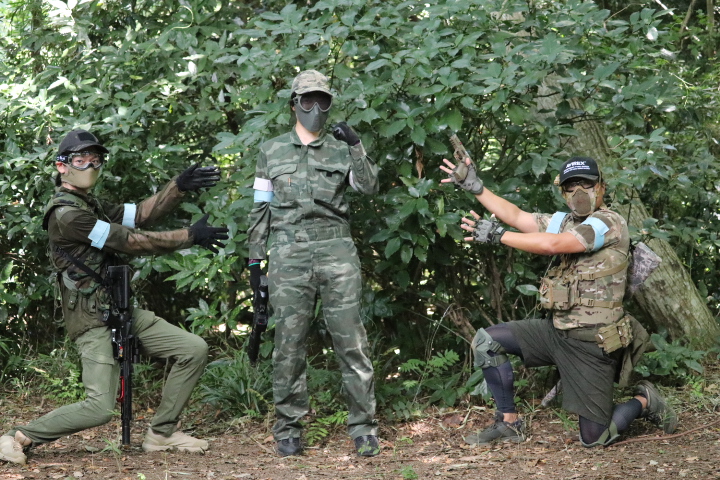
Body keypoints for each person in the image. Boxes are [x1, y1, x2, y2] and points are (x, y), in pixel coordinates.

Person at [0, 129, 228, 465]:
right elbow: (130, 241)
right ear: (62, 166)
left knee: (192, 349)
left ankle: (162, 433)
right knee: (99, 408)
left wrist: (177, 187)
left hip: (118, 309)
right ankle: (18, 436)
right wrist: (190, 236)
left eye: (95, 159)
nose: (90, 166)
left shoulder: (89, 204)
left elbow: (140, 214)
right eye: (81, 159)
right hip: (91, 317)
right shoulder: (67, 215)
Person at [440, 155, 677, 447]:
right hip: (558, 333)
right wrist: (476, 187)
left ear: (601, 187)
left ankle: (644, 400)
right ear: (563, 192)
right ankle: (509, 424)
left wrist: (499, 236)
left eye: (586, 184)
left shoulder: (608, 222)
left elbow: (553, 245)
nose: (579, 192)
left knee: (595, 439)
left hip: (592, 344)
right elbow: (518, 217)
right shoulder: (564, 221)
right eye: (571, 186)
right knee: (487, 341)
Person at [246, 70, 380, 457]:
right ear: (294, 104)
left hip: (336, 249)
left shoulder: (340, 149)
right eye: (308, 100)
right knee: (288, 343)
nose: (315, 108)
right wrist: (255, 259)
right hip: (289, 251)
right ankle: (288, 428)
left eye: (323, 100)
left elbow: (368, 186)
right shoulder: (271, 150)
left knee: (351, 341)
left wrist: (356, 145)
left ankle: (364, 427)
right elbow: (261, 208)